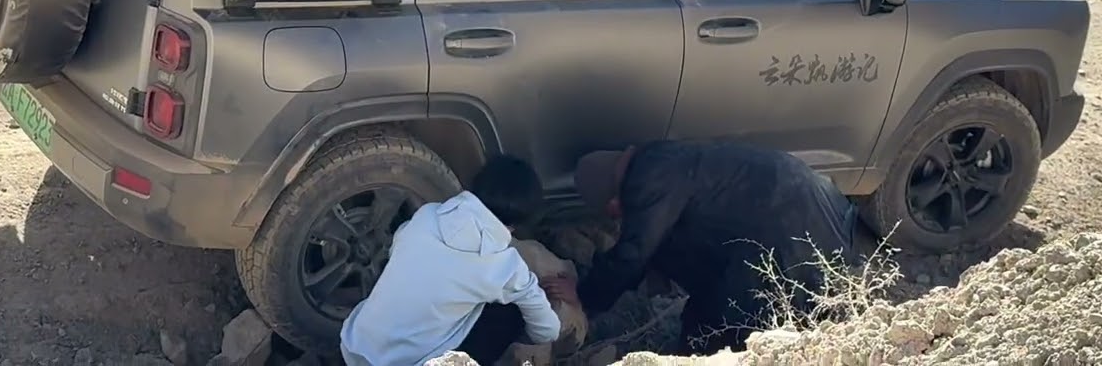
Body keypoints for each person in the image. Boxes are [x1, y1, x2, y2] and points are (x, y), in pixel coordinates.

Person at [543, 140, 867, 356]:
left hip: (787, 234)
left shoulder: (648, 180)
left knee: (724, 339)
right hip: (823, 212)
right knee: (706, 323)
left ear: (613, 204)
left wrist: (583, 294)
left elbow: (633, 253)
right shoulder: (663, 156)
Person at [339, 154, 564, 366]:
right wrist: (533, 336)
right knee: (509, 314)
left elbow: (396, 249)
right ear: (519, 221)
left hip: (354, 347)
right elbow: (548, 330)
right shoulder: (504, 266)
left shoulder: (426, 214)